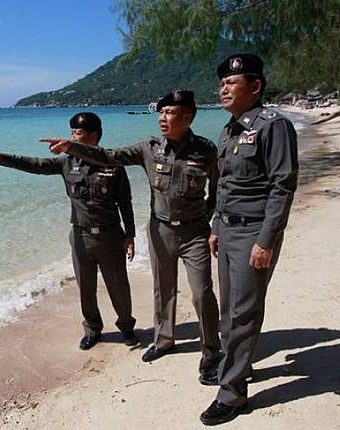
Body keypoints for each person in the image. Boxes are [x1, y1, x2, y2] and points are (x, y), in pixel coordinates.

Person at [41, 90, 222, 385]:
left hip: (195, 231)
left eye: (170, 113)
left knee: (202, 292)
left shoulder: (206, 150)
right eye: (161, 113)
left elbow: (217, 189)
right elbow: (109, 155)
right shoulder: (149, 148)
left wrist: (212, 222)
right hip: (160, 229)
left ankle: (211, 351)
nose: (163, 118)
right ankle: (164, 341)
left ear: (187, 117)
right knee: (163, 290)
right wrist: (73, 147)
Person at [0, 112, 138, 350]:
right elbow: (36, 165)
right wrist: (0, 157)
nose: (71, 137)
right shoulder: (67, 162)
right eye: (71, 132)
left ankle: (126, 327)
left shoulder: (112, 162)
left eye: (77, 133)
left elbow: (125, 201)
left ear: (94, 135)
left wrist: (130, 235)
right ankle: (93, 330)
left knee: (118, 286)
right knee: (86, 288)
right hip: (80, 236)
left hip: (110, 236)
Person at [199, 53, 299, 425]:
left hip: (254, 233)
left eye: (232, 82)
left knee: (243, 313)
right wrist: (214, 227)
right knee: (230, 310)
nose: (223, 87)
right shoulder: (230, 129)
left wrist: (266, 240)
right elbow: (225, 185)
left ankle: (232, 394)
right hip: (227, 230)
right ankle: (237, 367)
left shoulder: (274, 126)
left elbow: (282, 185)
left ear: (255, 86)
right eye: (222, 82)